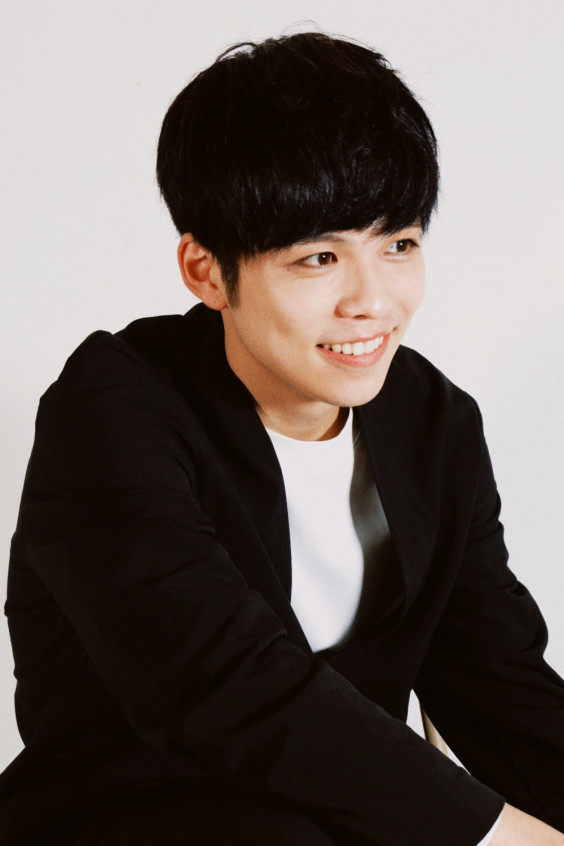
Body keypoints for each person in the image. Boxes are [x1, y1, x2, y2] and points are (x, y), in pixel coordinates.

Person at [1, 31, 564, 845]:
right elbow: (223, 684)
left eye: (399, 244)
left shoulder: (433, 422)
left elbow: (495, 680)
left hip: (345, 823)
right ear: (206, 270)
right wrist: (502, 837)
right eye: (318, 258)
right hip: (132, 819)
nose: (372, 301)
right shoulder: (111, 411)